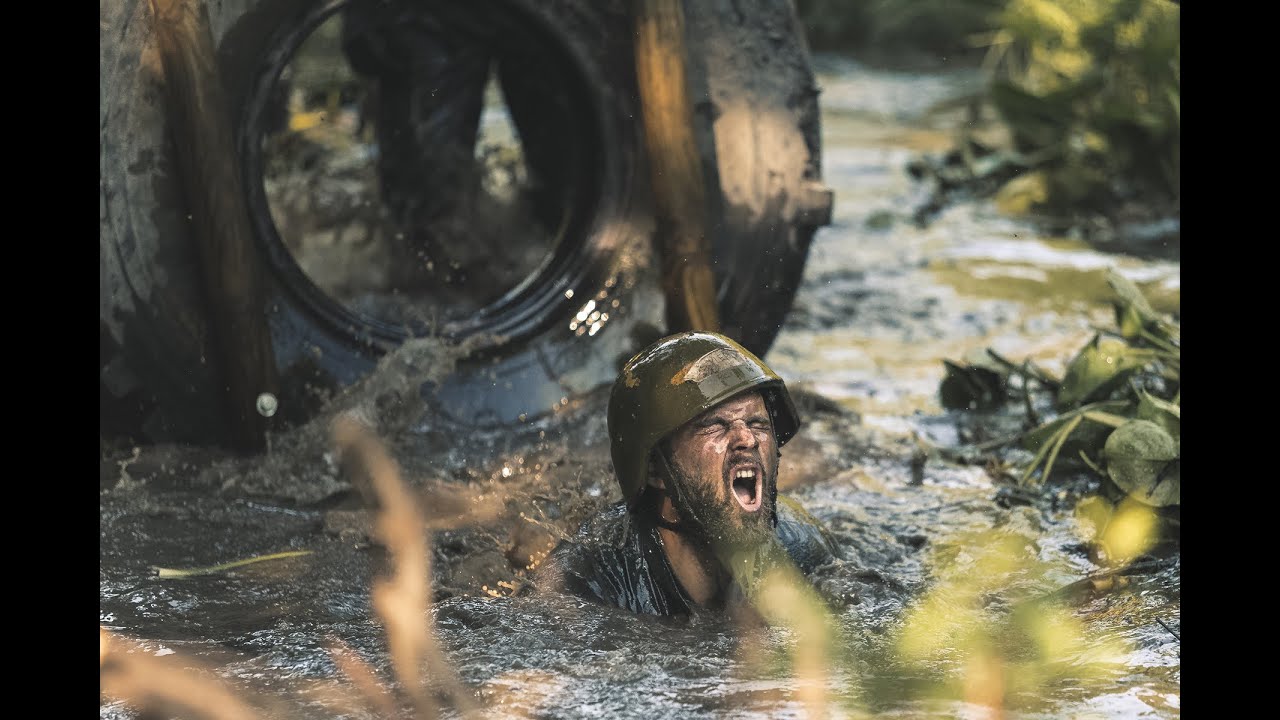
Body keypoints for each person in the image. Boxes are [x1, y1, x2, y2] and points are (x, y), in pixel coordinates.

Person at [530, 331, 840, 616]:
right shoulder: (585, 581)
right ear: (655, 470)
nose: (747, 439)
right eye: (714, 426)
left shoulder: (803, 550)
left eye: (758, 424)